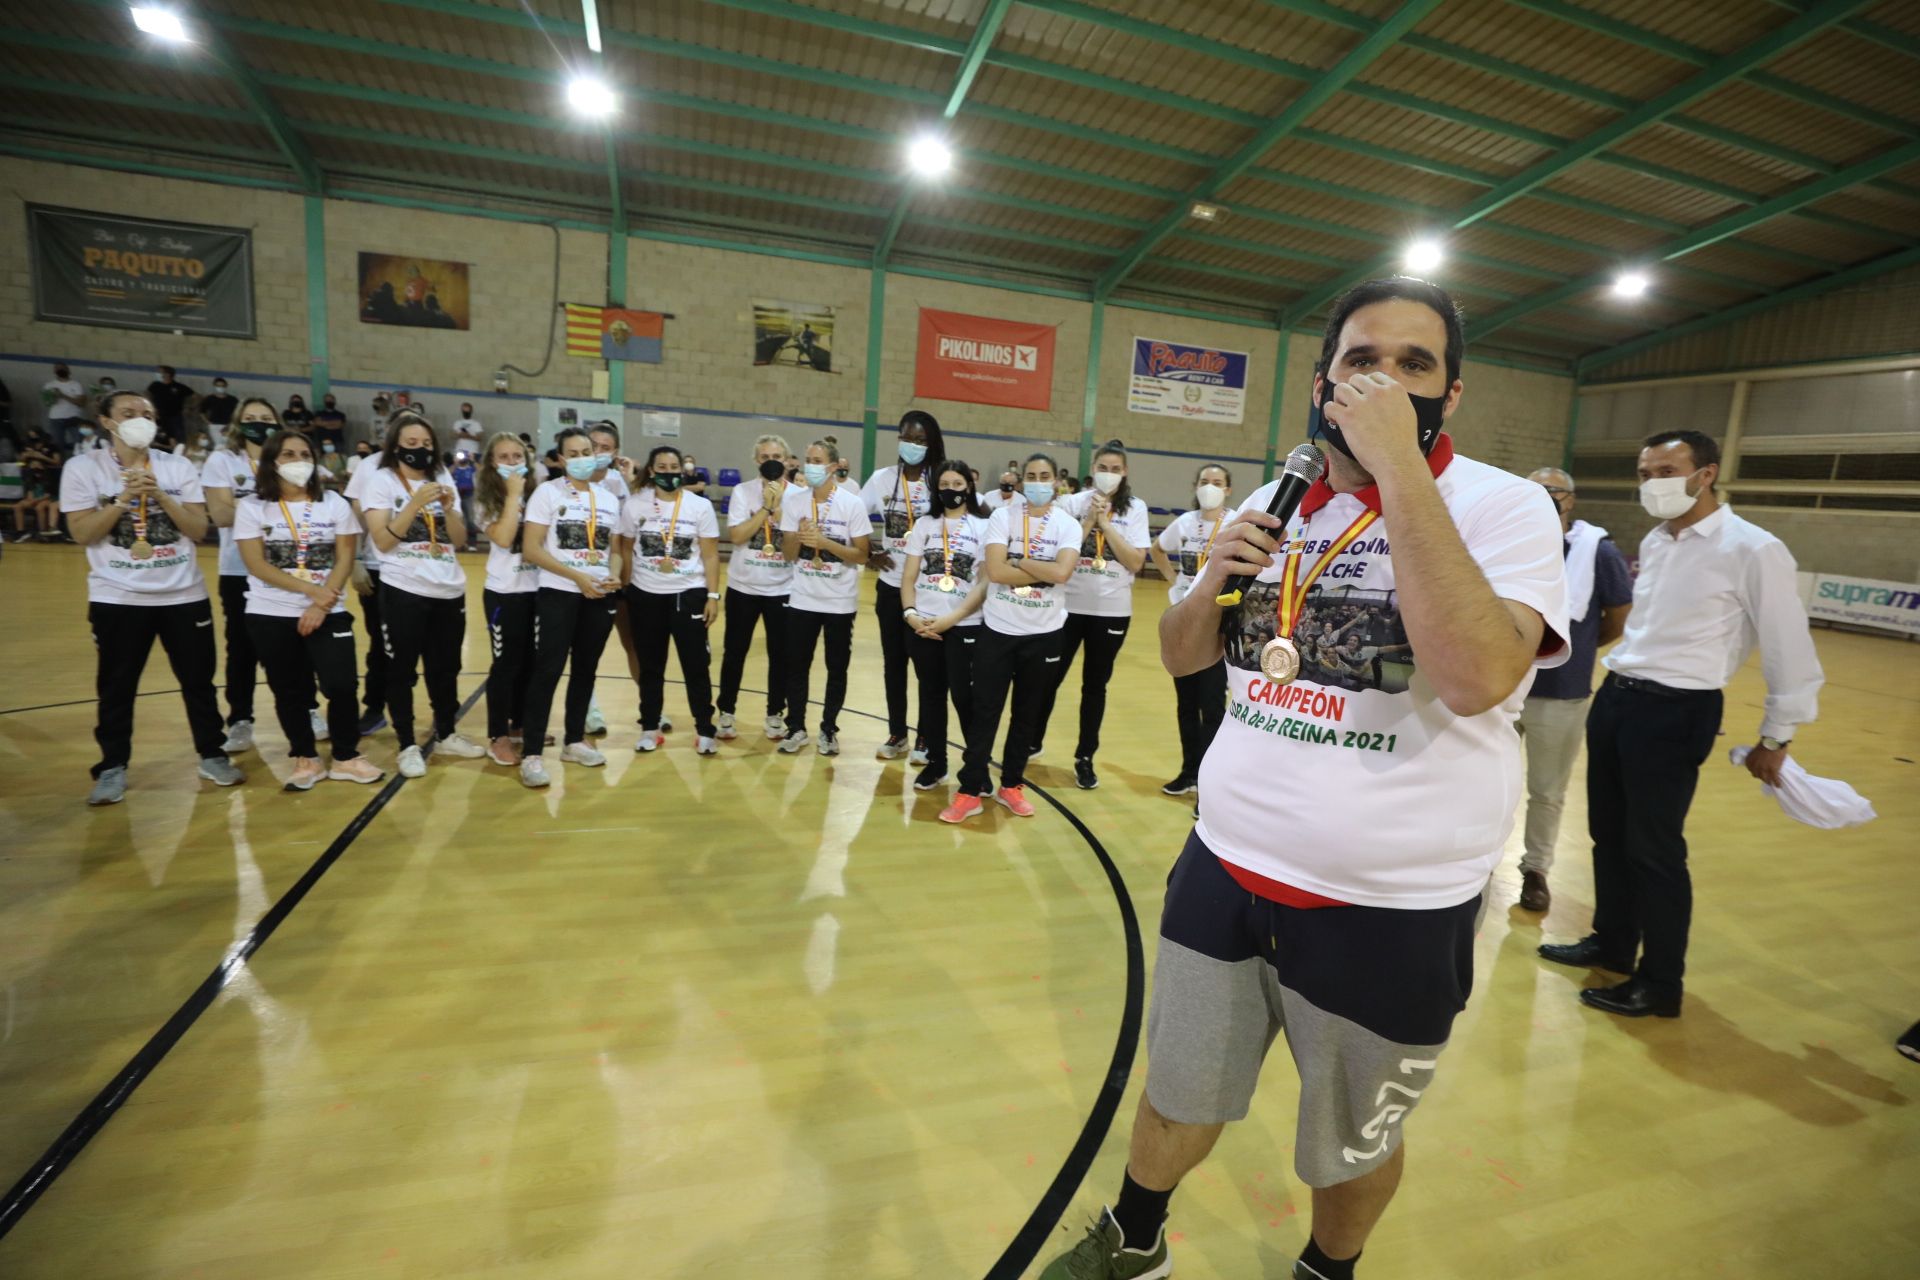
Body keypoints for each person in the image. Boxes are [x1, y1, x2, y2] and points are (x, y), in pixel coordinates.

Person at [1038, 277, 1570, 1280]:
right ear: (1325, 381)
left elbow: (1475, 677)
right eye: (1364, 358)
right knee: (1178, 1085)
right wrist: (1210, 578)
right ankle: (1136, 1236)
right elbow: (1184, 654)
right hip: (1226, 865)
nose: (1385, 379)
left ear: (1449, 396)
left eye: (1416, 365)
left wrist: (1397, 471)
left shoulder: (1505, 505)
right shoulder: (1272, 502)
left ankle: (1327, 1269)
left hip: (1388, 903)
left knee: (1349, 1141)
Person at [1539, 429, 1823, 1019]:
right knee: (1608, 836)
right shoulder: (1659, 539)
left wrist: (1777, 734)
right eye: (1644, 474)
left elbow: (1788, 650)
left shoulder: (1753, 549)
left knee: (1655, 851)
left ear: (1706, 473)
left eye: (1666, 471)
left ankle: (1660, 982)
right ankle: (1614, 943)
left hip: (1676, 709)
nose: (1653, 484)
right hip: (1620, 697)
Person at [60, 391, 243, 805]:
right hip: (118, 598)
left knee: (198, 683)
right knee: (117, 686)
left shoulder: (176, 467)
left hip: (184, 595)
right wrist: (124, 500)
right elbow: (82, 533)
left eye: (147, 413)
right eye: (128, 413)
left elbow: (198, 529)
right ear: (107, 421)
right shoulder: (81, 468)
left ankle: (212, 754)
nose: (139, 419)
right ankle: (112, 766)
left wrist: (160, 495)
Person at [1509, 468, 1633, 914]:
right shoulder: (1510, 540)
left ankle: (1535, 870)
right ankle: (1479, 860)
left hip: (1561, 693)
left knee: (1546, 790)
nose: (1542, 498)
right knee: (1490, 779)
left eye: (1551, 492)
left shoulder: (1597, 552)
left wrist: (1571, 652)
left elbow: (1616, 617)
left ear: (1571, 500)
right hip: (1503, 687)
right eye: (1534, 491)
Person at [233, 430, 384, 790]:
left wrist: (323, 601)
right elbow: (256, 564)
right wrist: (311, 593)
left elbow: (345, 556)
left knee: (342, 684)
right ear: (272, 461)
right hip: (270, 612)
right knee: (289, 689)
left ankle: (346, 756)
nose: (298, 460)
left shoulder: (332, 503)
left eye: (304, 453)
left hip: (329, 610)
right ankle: (305, 757)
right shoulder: (252, 507)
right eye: (288, 454)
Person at [940, 454, 1082, 824]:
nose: (1037, 482)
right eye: (1031, 476)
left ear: (1055, 482)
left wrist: (1019, 562)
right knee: (985, 712)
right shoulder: (1002, 517)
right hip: (999, 631)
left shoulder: (1068, 524)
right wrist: (1040, 570)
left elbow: (1064, 573)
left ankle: (1011, 786)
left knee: (1027, 716)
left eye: (1044, 476)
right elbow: (997, 571)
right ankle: (970, 789)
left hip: (1045, 634)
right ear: (1021, 481)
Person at [358, 411, 484, 777]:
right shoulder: (381, 481)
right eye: (412, 444)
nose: (421, 450)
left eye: (427, 444)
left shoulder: (442, 476)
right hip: (403, 588)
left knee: (445, 668)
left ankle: (446, 732)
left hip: (448, 587)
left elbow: (459, 541)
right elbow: (381, 540)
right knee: (401, 669)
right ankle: (407, 744)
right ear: (396, 446)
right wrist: (414, 503)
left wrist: (449, 510)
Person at [204, 398, 324, 753]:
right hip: (241, 569)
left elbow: (314, 507)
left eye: (267, 418)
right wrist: (268, 504)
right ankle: (241, 718)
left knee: (300, 646)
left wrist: (254, 508)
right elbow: (221, 514)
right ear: (238, 424)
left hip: (296, 571)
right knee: (241, 647)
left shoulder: (293, 460)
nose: (259, 423)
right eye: (251, 418)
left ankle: (310, 708)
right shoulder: (222, 461)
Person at [1031, 439, 1151, 790]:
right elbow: (1059, 555)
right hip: (1066, 609)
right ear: (1093, 470)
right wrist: (1089, 521)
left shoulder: (1136, 509)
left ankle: (1085, 757)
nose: (1109, 475)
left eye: (1116, 469)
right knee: (1048, 679)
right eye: (1103, 468)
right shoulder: (1070, 503)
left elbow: (1135, 561)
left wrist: (1107, 525)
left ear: (1124, 472)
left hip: (1112, 612)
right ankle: (1031, 742)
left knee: (1094, 687)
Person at [515, 427, 624, 787]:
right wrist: (576, 578)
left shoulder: (608, 497)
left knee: (586, 670)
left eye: (587, 451)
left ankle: (574, 740)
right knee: (547, 671)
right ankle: (531, 753)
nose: (582, 458)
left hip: (598, 595)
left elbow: (616, 552)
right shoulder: (547, 493)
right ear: (561, 460)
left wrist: (613, 576)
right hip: (559, 592)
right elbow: (532, 548)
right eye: (573, 453)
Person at [619, 446, 722, 754]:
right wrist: (625, 588)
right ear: (651, 471)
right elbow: (625, 548)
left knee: (696, 666)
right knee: (650, 666)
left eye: (673, 466)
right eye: (661, 466)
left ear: (683, 470)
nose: (667, 471)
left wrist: (713, 596)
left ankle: (705, 729)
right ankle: (649, 727)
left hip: (688, 593)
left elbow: (710, 554)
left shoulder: (699, 506)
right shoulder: (635, 505)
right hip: (645, 594)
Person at [898, 460, 990, 793]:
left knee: (966, 699)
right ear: (937, 489)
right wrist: (911, 615)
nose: (951, 490)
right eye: (945, 484)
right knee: (931, 695)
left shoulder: (984, 526)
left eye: (958, 483)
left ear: (969, 486)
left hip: (965, 625)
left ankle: (977, 769)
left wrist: (953, 618)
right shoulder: (925, 524)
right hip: (923, 625)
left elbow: (984, 582)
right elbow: (908, 576)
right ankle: (937, 764)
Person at [860, 410, 944, 762]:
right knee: (893, 663)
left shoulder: (939, 478)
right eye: (908, 438)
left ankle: (926, 736)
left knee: (927, 668)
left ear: (932, 443)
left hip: (929, 591)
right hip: (891, 585)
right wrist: (869, 552)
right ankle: (898, 733)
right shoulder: (882, 479)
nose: (913, 445)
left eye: (921, 440)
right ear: (898, 438)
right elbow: (854, 514)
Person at [777, 439, 870, 756]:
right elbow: (789, 555)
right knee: (797, 666)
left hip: (839, 602)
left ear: (832, 467)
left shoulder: (852, 504)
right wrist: (798, 538)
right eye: (807, 459)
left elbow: (861, 555)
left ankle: (829, 729)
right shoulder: (794, 501)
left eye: (817, 460)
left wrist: (824, 542)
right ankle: (796, 727)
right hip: (803, 598)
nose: (810, 466)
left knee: (836, 667)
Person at [1150, 463, 1234, 798]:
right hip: (1186, 621)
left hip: (1218, 626)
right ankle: (1188, 772)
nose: (1209, 487)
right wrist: (1174, 581)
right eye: (1204, 481)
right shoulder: (1185, 523)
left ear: (1227, 489)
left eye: (1217, 482)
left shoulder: (1236, 521)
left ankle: (1208, 784)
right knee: (1186, 704)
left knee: (1212, 707)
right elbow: (1157, 549)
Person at [717, 435, 797, 740]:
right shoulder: (742, 491)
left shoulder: (800, 494)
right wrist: (765, 508)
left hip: (784, 588)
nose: (771, 461)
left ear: (788, 460)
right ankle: (726, 711)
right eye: (764, 457)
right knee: (735, 652)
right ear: (756, 461)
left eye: (777, 455)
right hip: (743, 587)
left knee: (781, 656)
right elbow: (737, 536)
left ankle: (775, 712)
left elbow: (795, 541)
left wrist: (779, 509)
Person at [474, 432, 541, 767]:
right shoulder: (486, 499)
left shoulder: (539, 493)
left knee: (531, 663)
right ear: (491, 462)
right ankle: (497, 736)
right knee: (506, 665)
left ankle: (519, 726)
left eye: (518, 456)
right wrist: (514, 495)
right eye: (504, 457)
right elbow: (502, 537)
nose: (513, 463)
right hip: (504, 593)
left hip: (537, 590)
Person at [10, 429, 64, 541]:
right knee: (17, 506)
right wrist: (30, 499)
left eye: (36, 461)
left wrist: (36, 500)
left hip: (47, 497)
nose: (34, 463)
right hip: (36, 497)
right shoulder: (29, 474)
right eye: (32, 462)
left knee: (40, 507)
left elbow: (49, 493)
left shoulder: (49, 474)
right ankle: (21, 532)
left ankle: (42, 532)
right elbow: (29, 490)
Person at [42, 363, 89, 451]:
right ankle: (60, 463)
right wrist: (52, 397)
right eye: (58, 368)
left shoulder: (76, 384)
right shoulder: (49, 385)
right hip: (55, 418)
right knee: (58, 444)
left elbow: (80, 403)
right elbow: (47, 403)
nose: (61, 370)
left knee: (79, 442)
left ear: (68, 370)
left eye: (63, 368)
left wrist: (62, 395)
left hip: (74, 417)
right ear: (54, 371)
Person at [144, 366, 196, 440]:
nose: (157, 374)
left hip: (175, 416)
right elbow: (147, 394)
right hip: (159, 415)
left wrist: (189, 407)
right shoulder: (155, 385)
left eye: (160, 372)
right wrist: (151, 407)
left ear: (167, 374)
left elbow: (195, 396)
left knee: (178, 435)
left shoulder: (178, 386)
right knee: (159, 435)